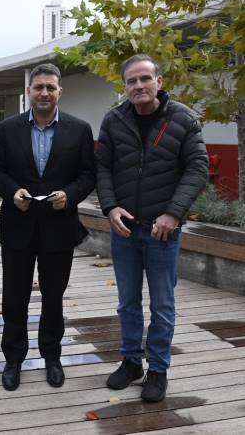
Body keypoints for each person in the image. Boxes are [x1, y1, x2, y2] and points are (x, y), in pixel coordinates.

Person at [96, 54, 208, 402]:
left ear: (159, 81)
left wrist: (173, 214)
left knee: (162, 305)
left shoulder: (183, 119)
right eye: (131, 81)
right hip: (125, 230)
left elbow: (197, 169)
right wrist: (110, 207)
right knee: (128, 302)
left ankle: (158, 370)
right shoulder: (114, 120)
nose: (139, 85)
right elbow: (102, 168)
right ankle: (131, 362)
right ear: (125, 86)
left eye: (145, 78)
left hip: (163, 232)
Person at [0, 63, 95, 391]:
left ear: (60, 91)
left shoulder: (79, 130)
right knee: (14, 298)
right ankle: (13, 359)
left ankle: (52, 356)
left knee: (53, 298)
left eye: (50, 87)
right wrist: (12, 192)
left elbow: (88, 175)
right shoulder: (6, 129)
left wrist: (70, 195)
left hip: (59, 227)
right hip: (17, 225)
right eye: (39, 87)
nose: (44, 93)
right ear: (29, 92)